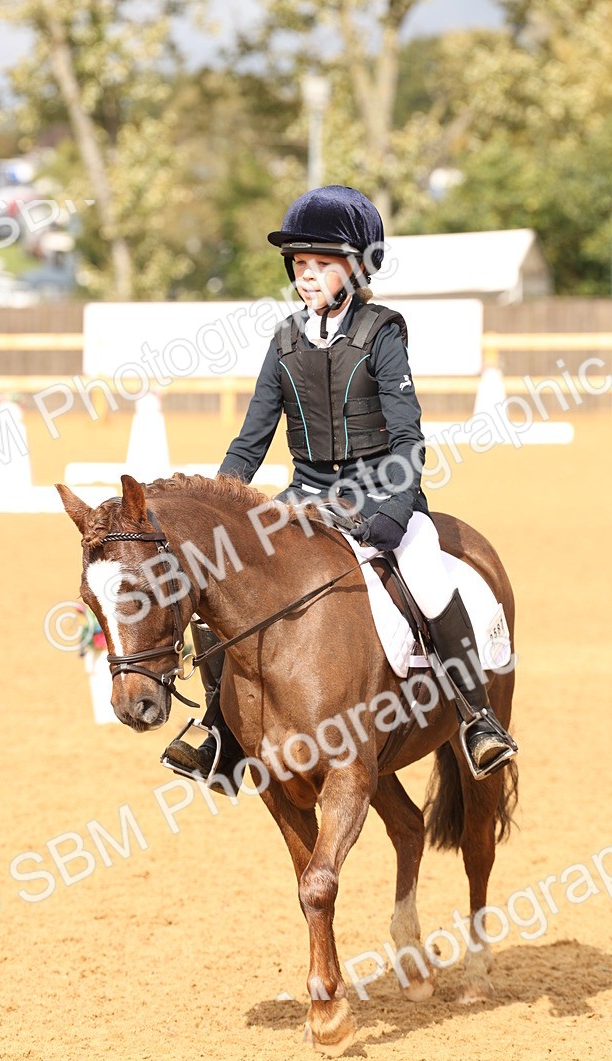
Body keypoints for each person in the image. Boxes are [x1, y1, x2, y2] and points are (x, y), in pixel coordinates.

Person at [163, 184, 517, 786]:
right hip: (302, 497)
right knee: (220, 583)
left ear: (355, 269)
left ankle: (478, 717)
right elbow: (252, 440)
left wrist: (396, 512)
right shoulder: (284, 339)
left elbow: (409, 440)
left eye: (320, 265)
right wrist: (218, 512)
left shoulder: (382, 333)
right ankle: (219, 732)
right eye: (299, 264)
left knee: (428, 581)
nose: (306, 276)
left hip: (381, 493)